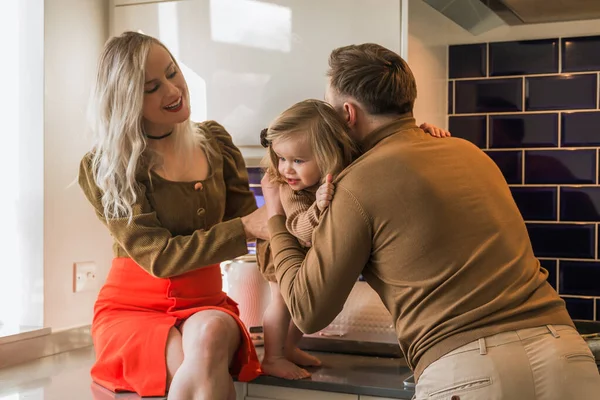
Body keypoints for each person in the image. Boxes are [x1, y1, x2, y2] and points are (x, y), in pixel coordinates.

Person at [261, 43, 600, 399]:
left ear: (348, 114)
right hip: (566, 354)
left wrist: (275, 219)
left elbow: (307, 310)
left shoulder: (356, 185)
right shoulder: (470, 152)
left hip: (473, 371)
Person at [78, 31, 267, 400]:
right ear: (126, 101)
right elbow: (159, 256)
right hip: (131, 309)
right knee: (191, 363)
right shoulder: (107, 167)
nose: (172, 89)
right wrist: (245, 227)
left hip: (207, 302)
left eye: (172, 72)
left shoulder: (215, 143)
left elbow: (257, 228)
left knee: (211, 334)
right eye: (151, 87)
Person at [257, 99, 450, 380]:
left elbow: (386, 146)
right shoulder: (290, 190)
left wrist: (420, 132)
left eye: (298, 160)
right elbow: (300, 229)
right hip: (282, 246)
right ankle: (272, 357)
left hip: (307, 253)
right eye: (281, 158)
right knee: (283, 303)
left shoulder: (347, 168)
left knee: (301, 303)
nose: (286, 169)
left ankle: (289, 348)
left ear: (327, 155)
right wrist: (317, 209)